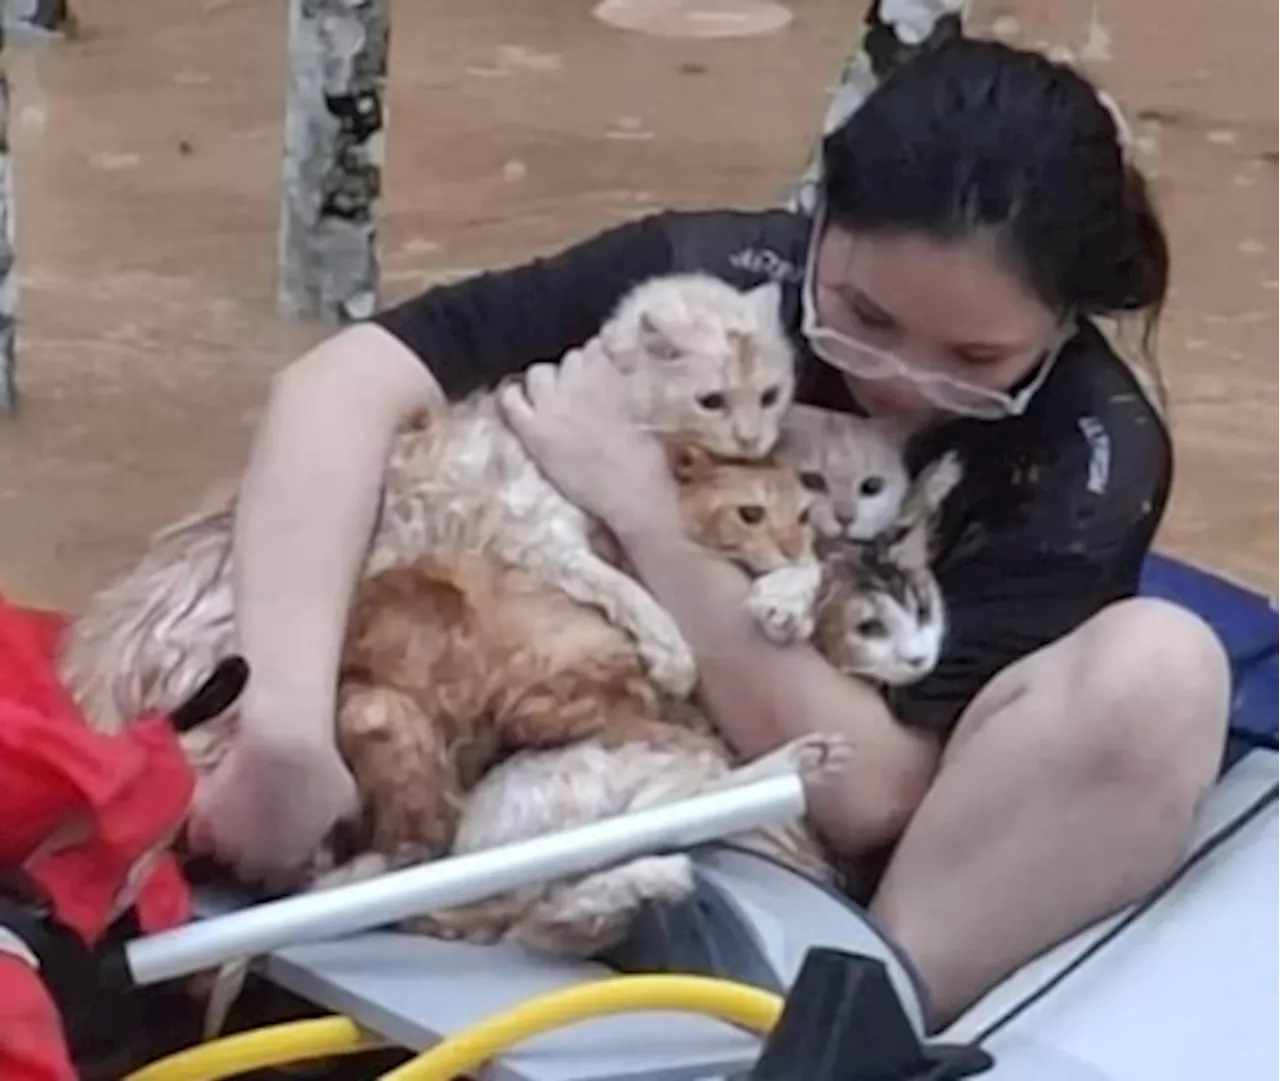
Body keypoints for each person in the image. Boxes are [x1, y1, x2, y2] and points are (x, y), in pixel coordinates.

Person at [187, 38, 1230, 1028]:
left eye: (971, 353)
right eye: (863, 317)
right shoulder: (712, 286)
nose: (894, 376)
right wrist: (285, 722)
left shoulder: (1087, 447)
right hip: (572, 725)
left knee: (1164, 671)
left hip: (864, 850)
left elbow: (867, 787)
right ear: (818, 226)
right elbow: (340, 385)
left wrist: (645, 506)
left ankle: (839, 1028)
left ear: (1058, 327)